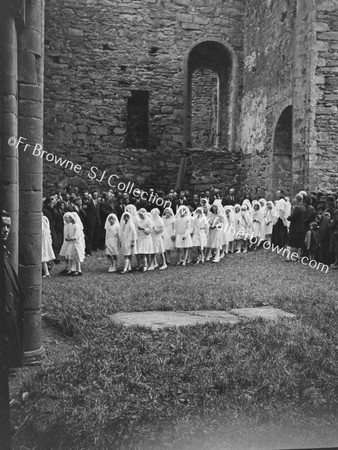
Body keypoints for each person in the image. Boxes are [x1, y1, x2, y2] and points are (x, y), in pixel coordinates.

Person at [0, 210, 25, 449]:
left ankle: (5, 426)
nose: (5, 230)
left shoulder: (4, 252)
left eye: (8, 226)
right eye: (2, 226)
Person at [285, 193, 306, 261]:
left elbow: (293, 217)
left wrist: (288, 217)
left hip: (294, 228)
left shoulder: (297, 207)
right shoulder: (304, 207)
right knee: (298, 243)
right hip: (301, 228)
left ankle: (288, 257)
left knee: (289, 242)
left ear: (297, 199)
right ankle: (298, 257)